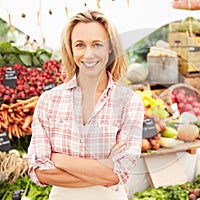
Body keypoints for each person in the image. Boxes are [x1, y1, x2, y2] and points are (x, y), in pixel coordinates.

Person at [27, 9, 144, 200]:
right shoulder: (49, 100)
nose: (88, 54)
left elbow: (118, 174)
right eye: (80, 45)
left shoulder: (128, 102)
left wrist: (59, 159)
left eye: (97, 44)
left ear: (110, 48)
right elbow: (38, 171)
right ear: (71, 49)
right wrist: (103, 168)